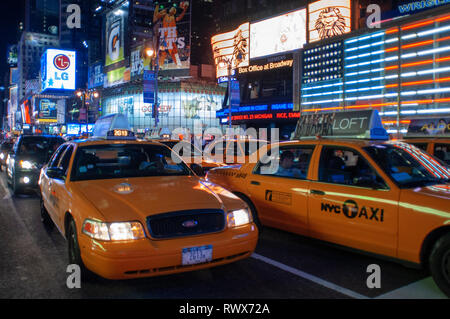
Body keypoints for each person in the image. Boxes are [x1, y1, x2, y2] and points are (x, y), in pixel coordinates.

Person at [153, 2, 189, 68]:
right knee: (161, 51)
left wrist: (184, 10)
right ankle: (160, 65)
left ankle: (178, 64)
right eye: (172, 9)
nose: (172, 10)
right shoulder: (165, 15)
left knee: (173, 51)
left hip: (171, 36)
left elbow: (179, 18)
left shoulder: (173, 18)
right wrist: (157, 7)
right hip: (164, 36)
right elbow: (156, 16)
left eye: (174, 10)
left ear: (174, 12)